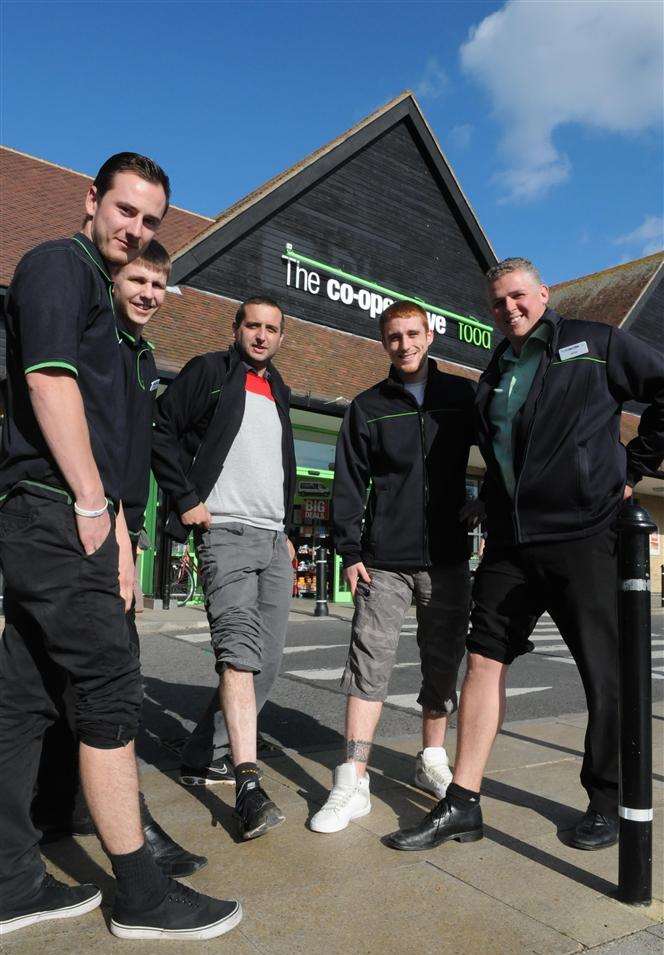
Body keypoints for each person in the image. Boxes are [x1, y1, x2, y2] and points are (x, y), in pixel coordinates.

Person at [0, 153, 241, 940]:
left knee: (25, 694)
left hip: (70, 514)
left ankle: (9, 877)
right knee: (110, 683)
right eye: (126, 210)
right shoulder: (55, 266)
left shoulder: (99, 298)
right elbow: (48, 382)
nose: (135, 230)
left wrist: (122, 530)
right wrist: (96, 505)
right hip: (54, 509)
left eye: (149, 221)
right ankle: (139, 893)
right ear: (91, 199)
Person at [385, 257, 664, 853]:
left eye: (518, 296)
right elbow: (508, 447)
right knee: (483, 659)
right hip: (512, 542)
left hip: (583, 534)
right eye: (497, 302)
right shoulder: (499, 369)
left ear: (543, 293)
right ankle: (462, 802)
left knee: (603, 671)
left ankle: (606, 802)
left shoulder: (595, 343)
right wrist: (488, 497)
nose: (508, 308)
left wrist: (634, 467)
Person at [32, 239, 208, 879]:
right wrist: (112, 535)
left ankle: (65, 810)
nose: (148, 294)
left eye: (159, 285)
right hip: (85, 520)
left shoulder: (143, 356)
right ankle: (127, 827)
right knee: (109, 683)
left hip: (120, 525)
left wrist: (134, 534)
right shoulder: (98, 342)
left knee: (69, 680)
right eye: (138, 279)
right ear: (114, 278)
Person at [309, 300, 475, 834]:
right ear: (384, 342)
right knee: (369, 662)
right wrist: (350, 552)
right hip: (385, 561)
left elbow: (502, 449)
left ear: (430, 335)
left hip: (448, 558)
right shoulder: (368, 406)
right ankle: (353, 779)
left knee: (443, 661)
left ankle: (431, 759)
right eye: (394, 337)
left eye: (413, 334)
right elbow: (349, 481)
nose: (404, 344)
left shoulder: (460, 397)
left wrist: (490, 500)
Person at [151, 296, 296, 840]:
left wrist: (289, 535)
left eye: (271, 329)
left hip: (273, 537)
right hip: (225, 534)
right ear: (236, 328)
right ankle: (248, 784)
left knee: (269, 663)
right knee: (239, 654)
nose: (261, 336)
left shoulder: (277, 387)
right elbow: (159, 426)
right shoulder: (209, 371)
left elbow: (281, 464)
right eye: (252, 326)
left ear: (281, 337)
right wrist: (186, 498)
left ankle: (200, 754)